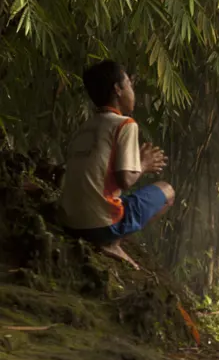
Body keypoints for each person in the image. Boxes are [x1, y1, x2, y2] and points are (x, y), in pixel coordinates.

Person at [61, 60, 175, 270]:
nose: (133, 91)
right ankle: (113, 243)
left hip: (70, 223)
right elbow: (125, 180)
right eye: (130, 84)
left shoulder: (84, 128)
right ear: (118, 89)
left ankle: (108, 234)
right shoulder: (125, 124)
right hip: (100, 226)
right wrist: (144, 163)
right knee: (167, 191)